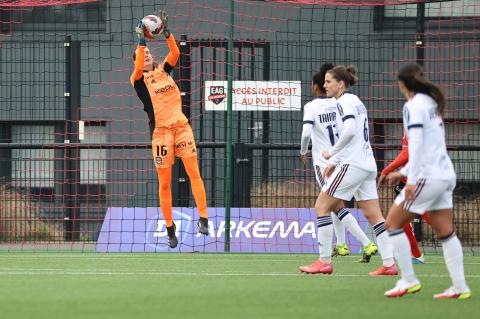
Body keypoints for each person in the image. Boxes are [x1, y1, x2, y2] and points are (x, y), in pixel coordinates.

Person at [299, 65, 397, 276]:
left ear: (340, 84)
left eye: (328, 81)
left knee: (322, 206)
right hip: (367, 164)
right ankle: (389, 263)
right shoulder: (356, 101)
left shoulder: (343, 102)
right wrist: (336, 161)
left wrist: (331, 154)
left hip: (353, 164)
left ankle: (324, 261)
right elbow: (356, 135)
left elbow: (351, 131)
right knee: (374, 215)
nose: (324, 86)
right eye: (324, 82)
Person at [384, 63, 471, 299]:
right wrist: (403, 172)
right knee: (445, 231)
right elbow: (430, 144)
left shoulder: (412, 106)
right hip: (445, 174)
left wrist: (410, 179)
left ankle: (408, 280)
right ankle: (460, 287)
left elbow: (417, 145)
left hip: (427, 176)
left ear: (402, 84)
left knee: (392, 224)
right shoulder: (432, 103)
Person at [130, 11, 209, 248]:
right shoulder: (138, 80)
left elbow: (175, 53)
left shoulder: (163, 70)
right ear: (136, 60)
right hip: (161, 134)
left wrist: (166, 33)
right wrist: (142, 39)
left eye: (148, 55)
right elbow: (139, 60)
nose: (147, 57)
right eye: (143, 56)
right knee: (165, 183)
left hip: (181, 127)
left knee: (194, 172)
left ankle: (203, 219)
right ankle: (169, 228)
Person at [378, 132, 432, 264]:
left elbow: (407, 154)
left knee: (394, 221)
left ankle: (413, 260)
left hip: (418, 179)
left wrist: (387, 170)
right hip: (414, 177)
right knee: (398, 220)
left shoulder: (414, 119)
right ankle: (415, 255)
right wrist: (400, 174)